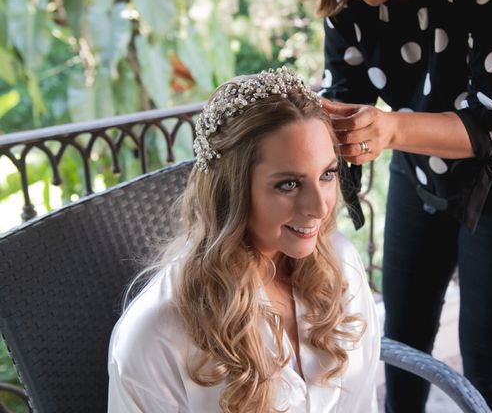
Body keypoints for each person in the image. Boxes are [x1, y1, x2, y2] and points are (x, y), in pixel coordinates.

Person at [264, 0, 492, 412]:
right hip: (422, 171)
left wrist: (388, 130)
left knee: (487, 366)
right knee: (401, 347)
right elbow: (346, 92)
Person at [107, 68, 380, 413]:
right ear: (231, 192)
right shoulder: (156, 335)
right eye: (289, 184)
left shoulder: (341, 262)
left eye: (326, 174)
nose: (319, 208)